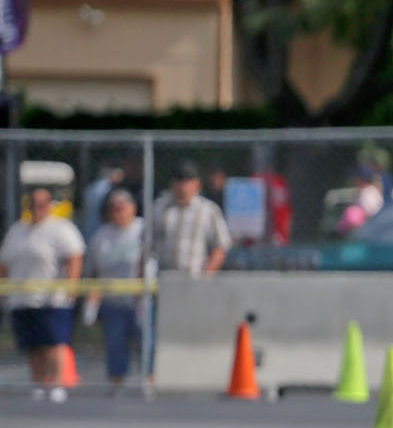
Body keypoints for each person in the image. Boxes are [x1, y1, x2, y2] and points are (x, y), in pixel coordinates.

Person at [0, 186, 86, 401]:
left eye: (41, 204)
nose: (36, 209)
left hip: (52, 297)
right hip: (23, 297)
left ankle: (56, 383)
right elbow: (5, 263)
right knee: (33, 344)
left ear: (49, 206)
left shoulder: (60, 229)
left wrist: (71, 286)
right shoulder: (18, 230)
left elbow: (75, 256)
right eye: (33, 205)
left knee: (54, 342)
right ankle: (38, 382)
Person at [84, 189, 145, 392]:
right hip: (113, 302)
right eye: (114, 208)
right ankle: (117, 386)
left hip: (140, 301)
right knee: (115, 346)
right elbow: (95, 274)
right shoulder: (101, 236)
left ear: (133, 208)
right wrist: (91, 307)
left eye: (123, 207)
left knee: (147, 343)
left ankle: (150, 383)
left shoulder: (143, 230)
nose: (119, 211)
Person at [154, 161, 231, 275]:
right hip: (165, 278)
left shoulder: (208, 210)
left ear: (197, 184)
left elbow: (220, 246)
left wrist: (206, 276)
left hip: (195, 277)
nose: (183, 186)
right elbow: (147, 245)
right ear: (173, 184)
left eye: (187, 181)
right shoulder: (160, 207)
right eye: (179, 181)